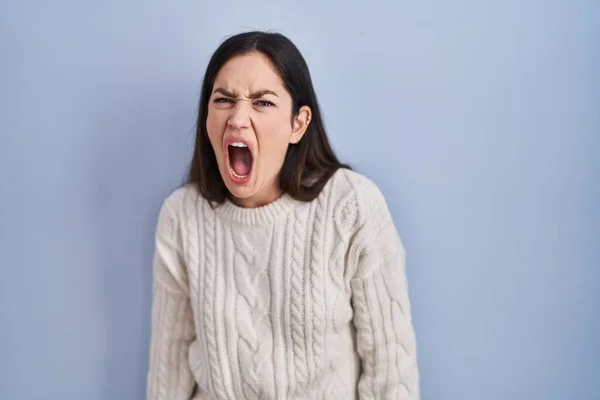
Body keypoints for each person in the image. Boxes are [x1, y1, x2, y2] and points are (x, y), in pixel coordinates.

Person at [146, 31, 420, 400]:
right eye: (224, 100)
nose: (238, 119)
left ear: (298, 124)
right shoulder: (181, 217)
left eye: (262, 103)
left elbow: (390, 373)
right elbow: (169, 372)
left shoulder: (352, 206)